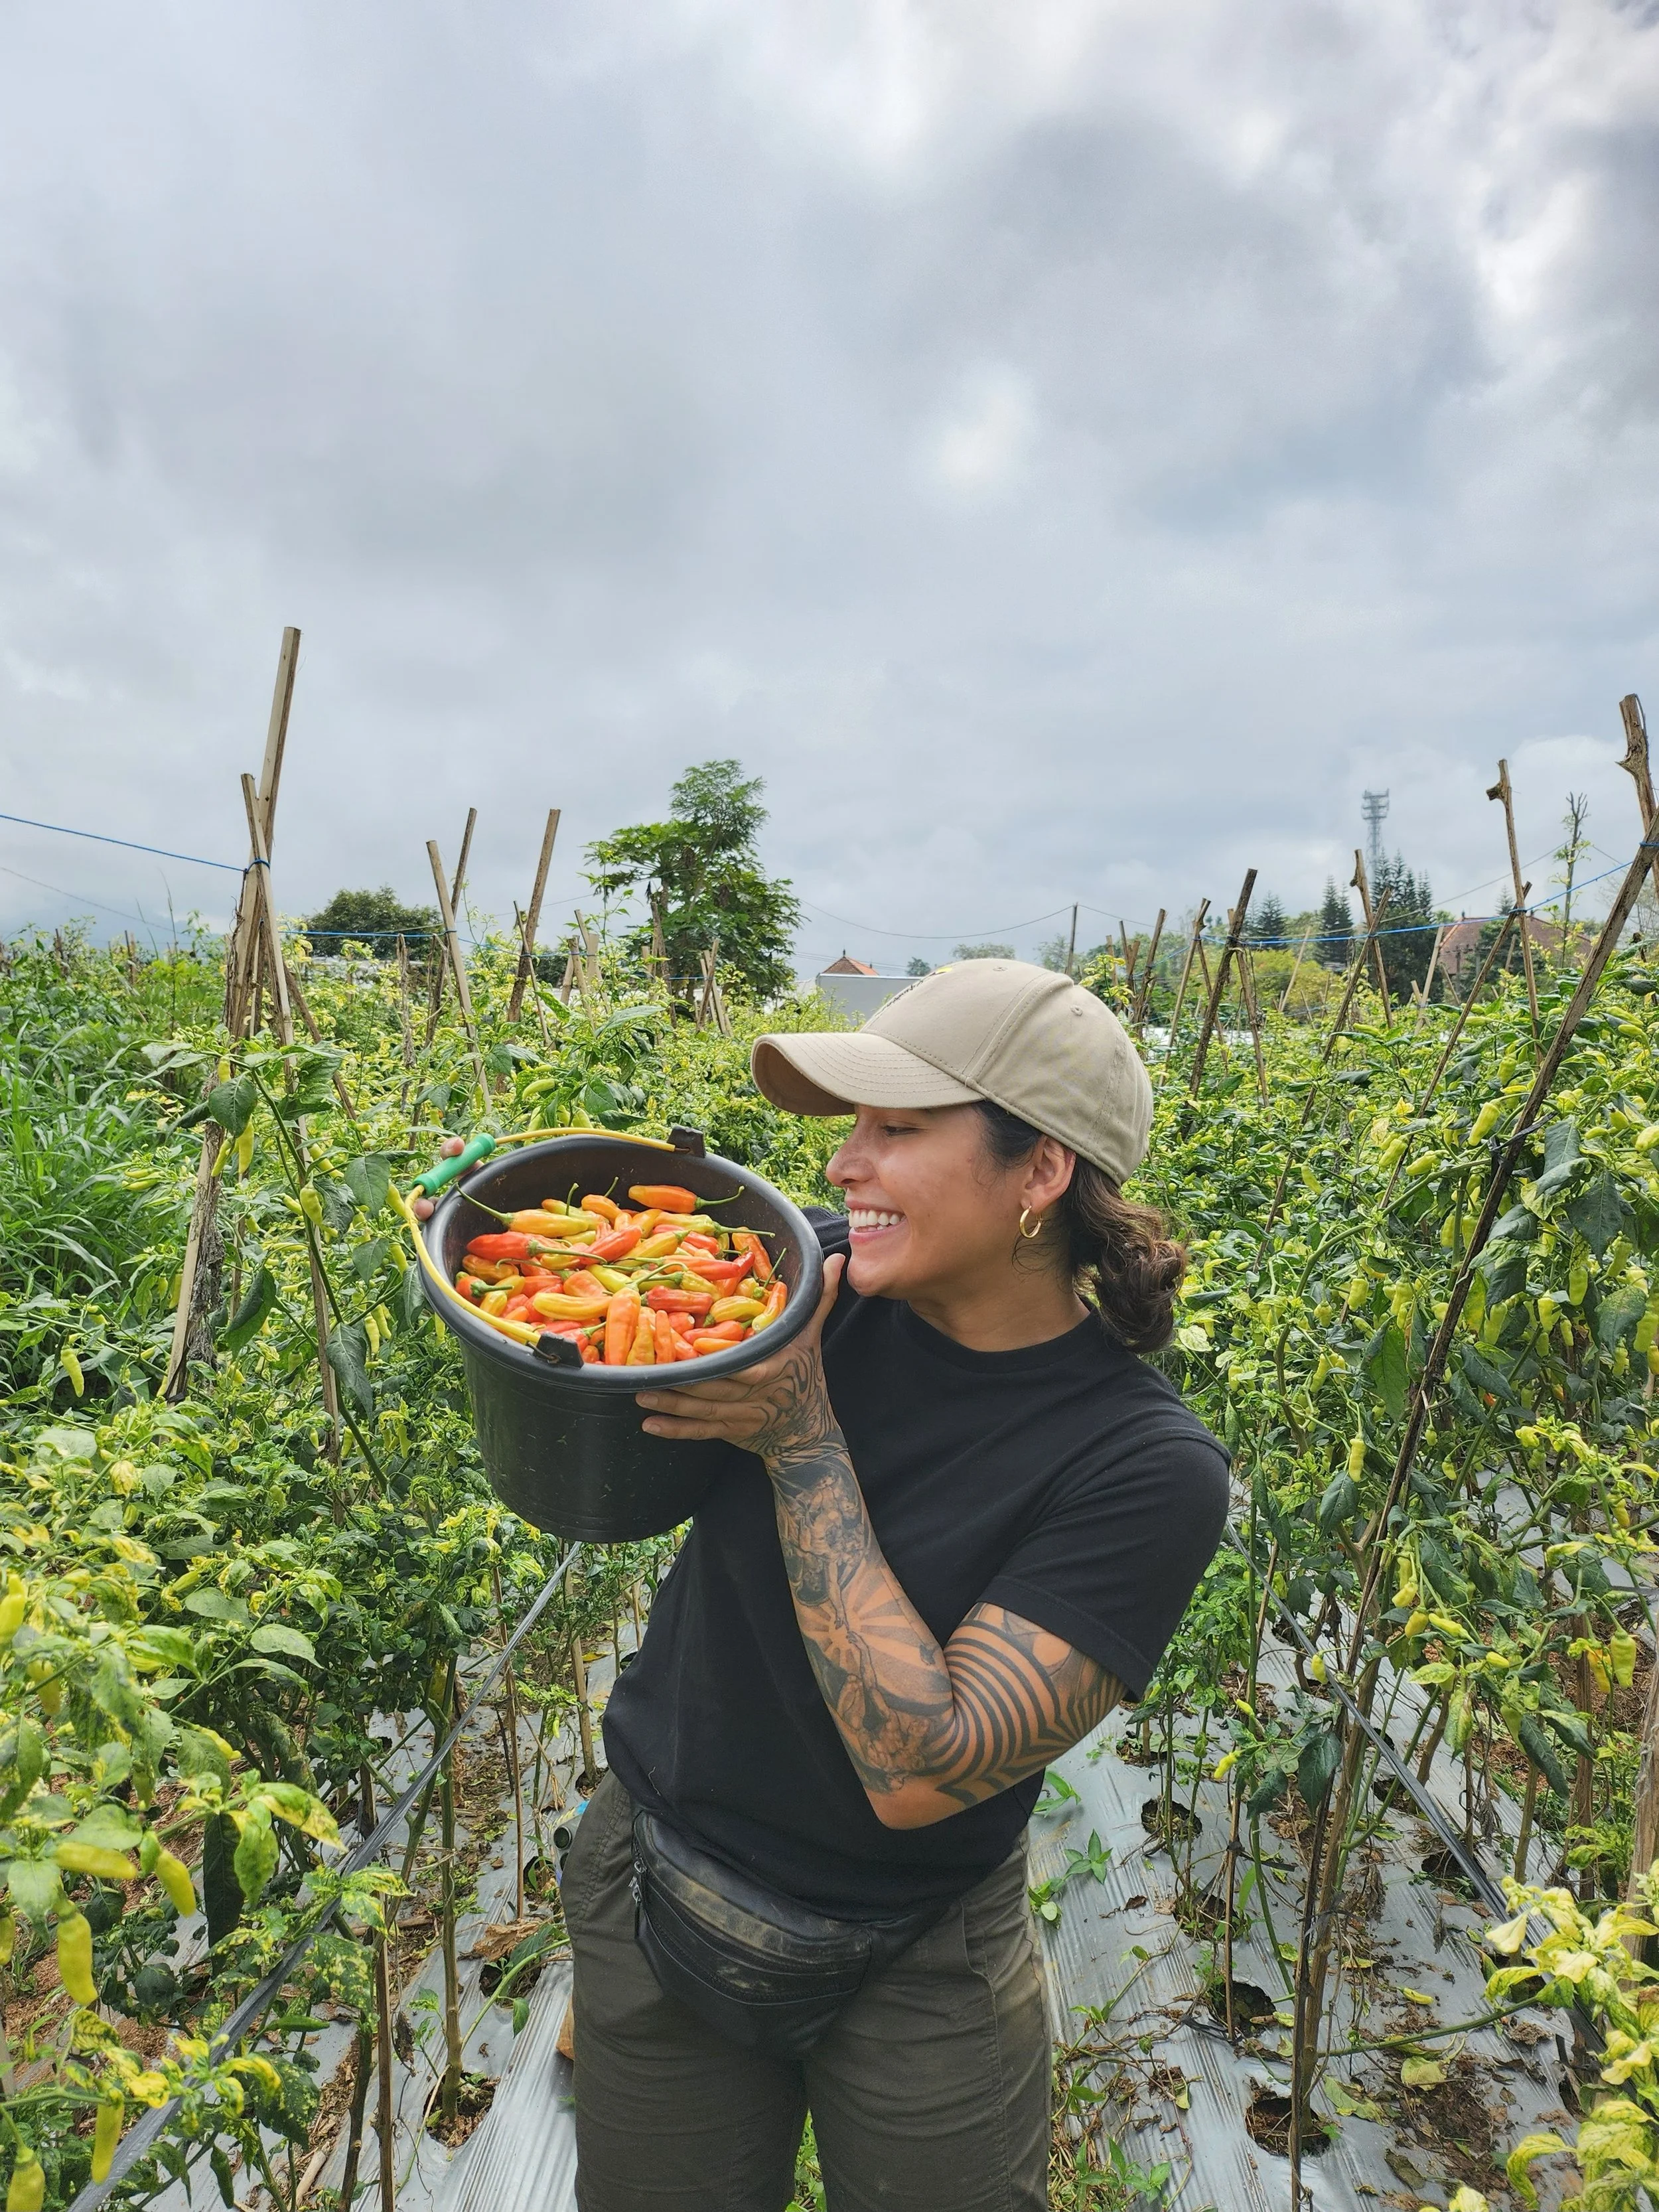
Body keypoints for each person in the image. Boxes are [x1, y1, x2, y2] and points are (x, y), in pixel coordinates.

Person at [561, 958, 1230, 2212]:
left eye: (899, 1131)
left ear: (1041, 1175)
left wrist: (800, 1439)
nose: (841, 1166)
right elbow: (588, 1457)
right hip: (656, 1876)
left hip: (919, 1954)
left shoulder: (1144, 1468)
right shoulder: (793, 1291)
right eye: (852, 1126)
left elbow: (923, 1770)